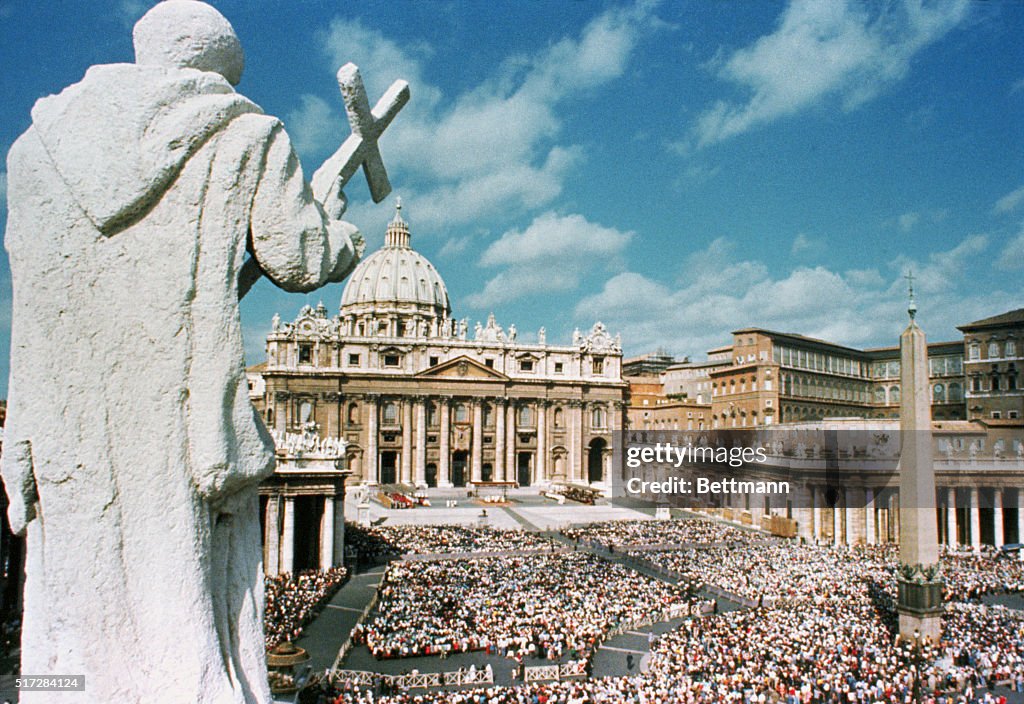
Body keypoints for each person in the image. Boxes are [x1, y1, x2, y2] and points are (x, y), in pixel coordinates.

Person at [2, 2, 367, 702]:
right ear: (224, 68)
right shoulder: (246, 132)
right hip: (175, 413)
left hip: (64, 419)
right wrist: (336, 225)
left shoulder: (31, 151)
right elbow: (298, 256)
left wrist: (21, 423)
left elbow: (34, 293)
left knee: (77, 598)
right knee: (182, 597)